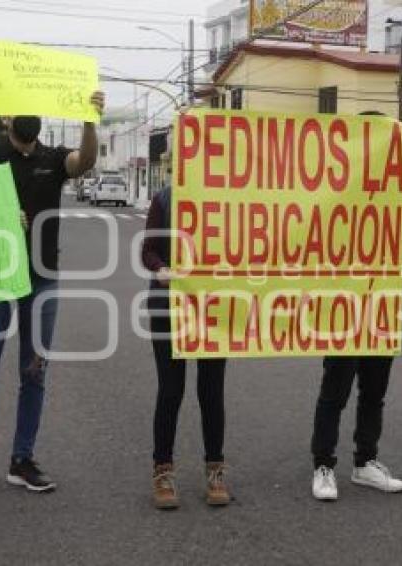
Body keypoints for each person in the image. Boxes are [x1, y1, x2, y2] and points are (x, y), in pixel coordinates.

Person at [0, 78, 105, 494]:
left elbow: (84, 162)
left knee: (34, 372)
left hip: (41, 275)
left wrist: (89, 120)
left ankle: (22, 459)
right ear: (8, 117)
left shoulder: (53, 156)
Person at [310, 110, 402, 502]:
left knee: (374, 392)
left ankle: (365, 463)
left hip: (381, 307)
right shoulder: (332, 184)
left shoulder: (391, 186)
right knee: (334, 391)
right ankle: (323, 465)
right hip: (341, 305)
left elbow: (399, 241)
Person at [140, 157, 231, 509]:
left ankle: (215, 470)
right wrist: (160, 268)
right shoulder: (165, 198)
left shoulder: (228, 200)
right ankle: (162, 472)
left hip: (213, 306)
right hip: (168, 305)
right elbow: (148, 249)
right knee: (171, 390)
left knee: (211, 391)